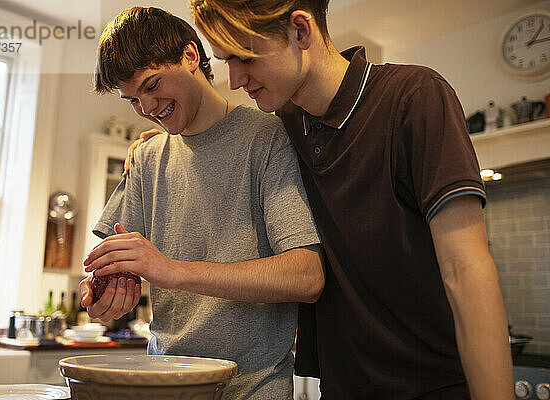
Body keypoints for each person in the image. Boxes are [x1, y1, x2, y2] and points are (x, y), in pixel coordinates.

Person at [125, 0, 514, 398]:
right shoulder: (286, 126)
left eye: (244, 58)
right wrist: (174, 138)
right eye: (226, 60)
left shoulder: (414, 97)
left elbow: (466, 270)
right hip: (341, 385)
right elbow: (221, 133)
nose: (236, 78)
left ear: (300, 30)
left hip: (432, 385)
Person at [79, 6, 324, 399]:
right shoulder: (146, 156)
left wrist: (172, 271)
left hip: (253, 389)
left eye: (152, 85)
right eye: (132, 100)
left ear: (191, 57)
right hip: (160, 384)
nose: (146, 108)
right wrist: (99, 295)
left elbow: (307, 276)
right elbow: (105, 269)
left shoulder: (268, 137)